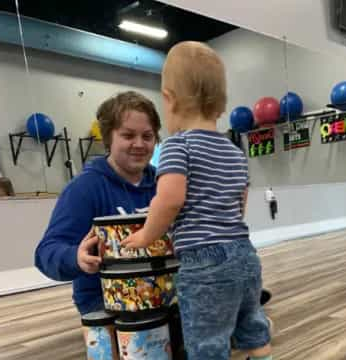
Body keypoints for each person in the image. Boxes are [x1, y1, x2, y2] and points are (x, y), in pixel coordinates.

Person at [122, 42, 272, 360]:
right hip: (245, 255)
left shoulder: (178, 145)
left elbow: (171, 198)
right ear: (220, 103)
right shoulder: (234, 151)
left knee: (207, 344)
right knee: (253, 330)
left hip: (204, 264)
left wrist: (147, 234)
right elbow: (239, 202)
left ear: (169, 99)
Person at [34, 91, 161, 315]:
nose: (139, 144)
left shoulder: (164, 183)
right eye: (128, 135)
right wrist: (76, 257)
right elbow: (46, 253)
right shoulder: (84, 188)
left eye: (147, 136)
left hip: (162, 291)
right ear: (108, 138)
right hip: (104, 300)